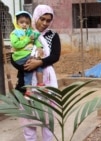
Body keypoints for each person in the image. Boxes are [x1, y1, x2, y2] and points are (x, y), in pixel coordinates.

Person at [11, 4, 61, 141]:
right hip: (26, 82)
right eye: (42, 19)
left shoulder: (52, 35)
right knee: (28, 121)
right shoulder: (23, 31)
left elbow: (55, 56)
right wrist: (27, 66)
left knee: (47, 120)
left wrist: (39, 62)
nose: (45, 23)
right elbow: (13, 56)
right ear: (35, 18)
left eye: (48, 20)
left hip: (45, 83)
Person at [10, 11, 45, 98]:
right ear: (16, 22)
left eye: (27, 23)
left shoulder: (30, 32)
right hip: (20, 56)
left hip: (28, 55)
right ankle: (30, 89)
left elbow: (36, 40)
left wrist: (39, 47)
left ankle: (36, 87)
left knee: (32, 68)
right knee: (34, 62)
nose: (24, 24)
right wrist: (27, 40)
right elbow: (16, 45)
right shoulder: (15, 33)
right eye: (22, 22)